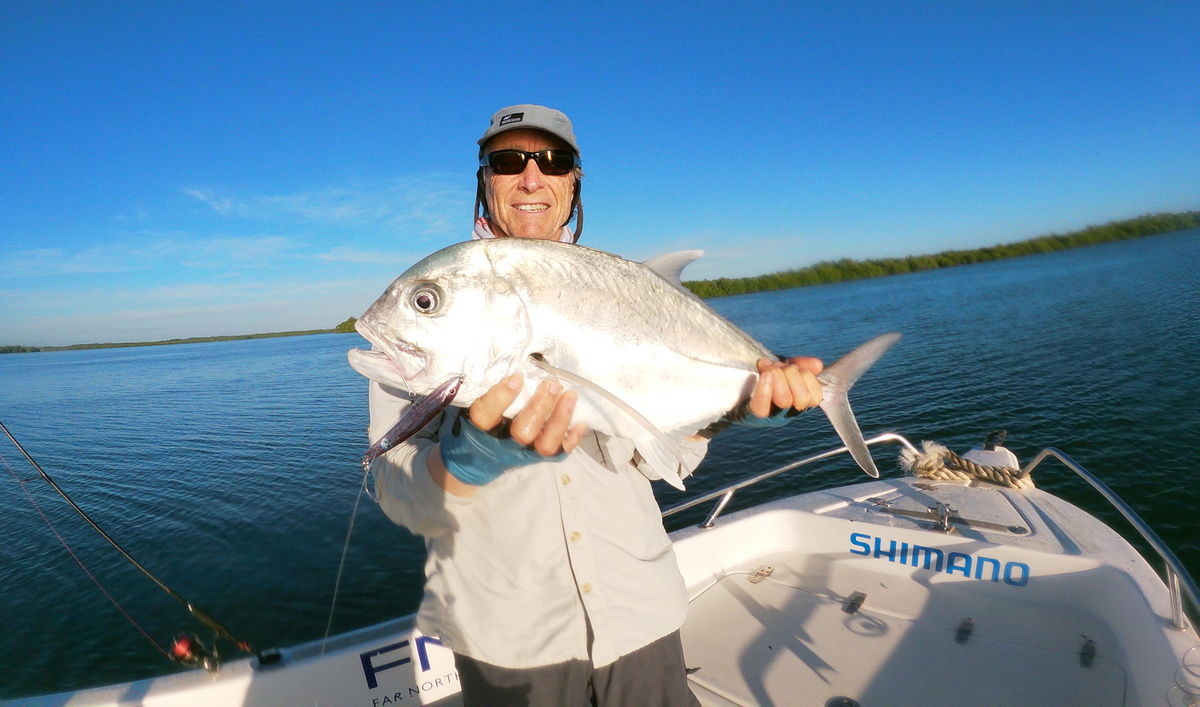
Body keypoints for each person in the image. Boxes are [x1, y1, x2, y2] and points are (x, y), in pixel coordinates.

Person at [366, 104, 824, 706]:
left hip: (640, 618)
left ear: (572, 182)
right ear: (485, 180)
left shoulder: (627, 291)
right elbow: (392, 490)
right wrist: (463, 461)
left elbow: (665, 461)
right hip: (508, 641)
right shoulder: (428, 342)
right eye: (508, 162)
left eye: (552, 161)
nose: (532, 178)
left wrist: (736, 404)